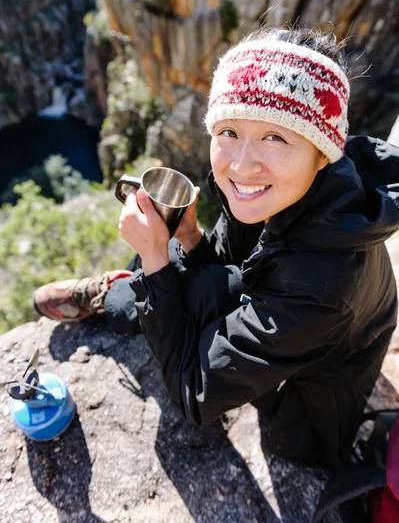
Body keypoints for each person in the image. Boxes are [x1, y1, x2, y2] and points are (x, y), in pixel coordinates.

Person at [34, 26, 399, 471]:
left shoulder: (321, 286)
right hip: (289, 311)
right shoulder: (293, 191)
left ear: (323, 153)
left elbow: (194, 393)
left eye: (276, 137)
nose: (242, 164)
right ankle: (128, 292)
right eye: (228, 130)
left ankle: (125, 293)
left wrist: (154, 261)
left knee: (174, 282)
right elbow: (227, 260)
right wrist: (187, 236)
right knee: (192, 278)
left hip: (310, 396)